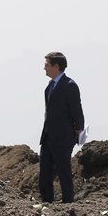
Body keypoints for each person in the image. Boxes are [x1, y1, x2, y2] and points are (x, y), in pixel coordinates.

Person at [39, 52, 85, 203]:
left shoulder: (69, 85)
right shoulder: (49, 87)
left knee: (63, 170)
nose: (44, 68)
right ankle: (47, 202)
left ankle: (68, 204)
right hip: (48, 136)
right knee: (44, 172)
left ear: (56, 66)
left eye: (47, 65)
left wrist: (79, 131)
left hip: (63, 137)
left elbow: (77, 110)